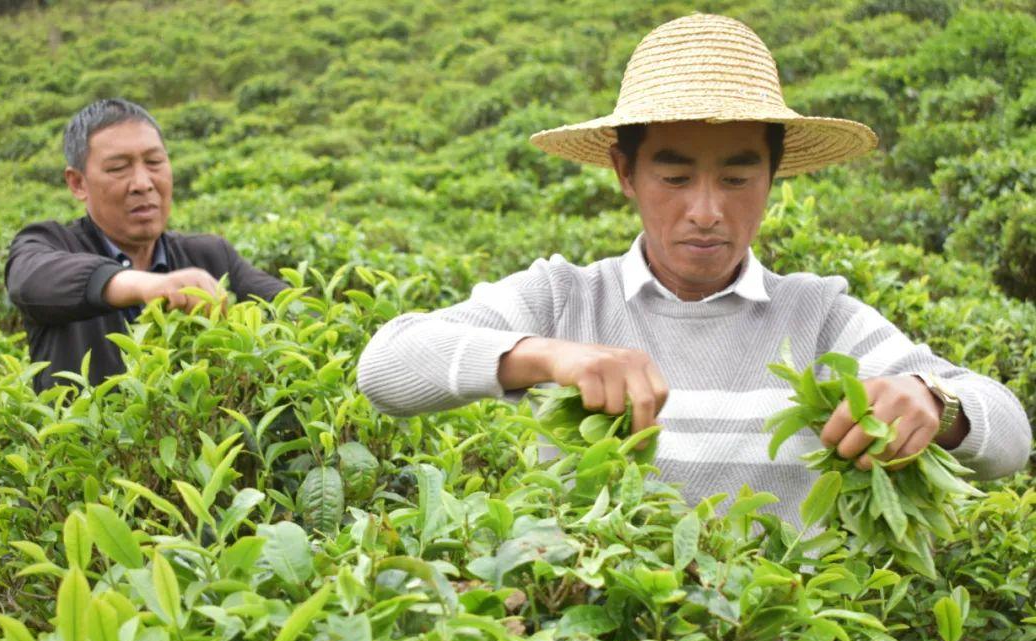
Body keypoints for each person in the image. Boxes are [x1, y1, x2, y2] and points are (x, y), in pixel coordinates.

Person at [357, 14, 1031, 524]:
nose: (706, 211)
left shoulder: (818, 316)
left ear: (773, 177)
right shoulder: (566, 299)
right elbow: (386, 367)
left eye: (738, 177)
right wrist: (550, 358)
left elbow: (1011, 437)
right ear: (625, 172)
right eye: (675, 175)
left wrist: (937, 405)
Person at [6, 98, 287, 392]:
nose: (143, 183)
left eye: (154, 163)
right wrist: (146, 285)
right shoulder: (47, 243)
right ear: (78, 183)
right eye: (118, 168)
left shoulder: (209, 255)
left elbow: (293, 309)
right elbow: (30, 280)